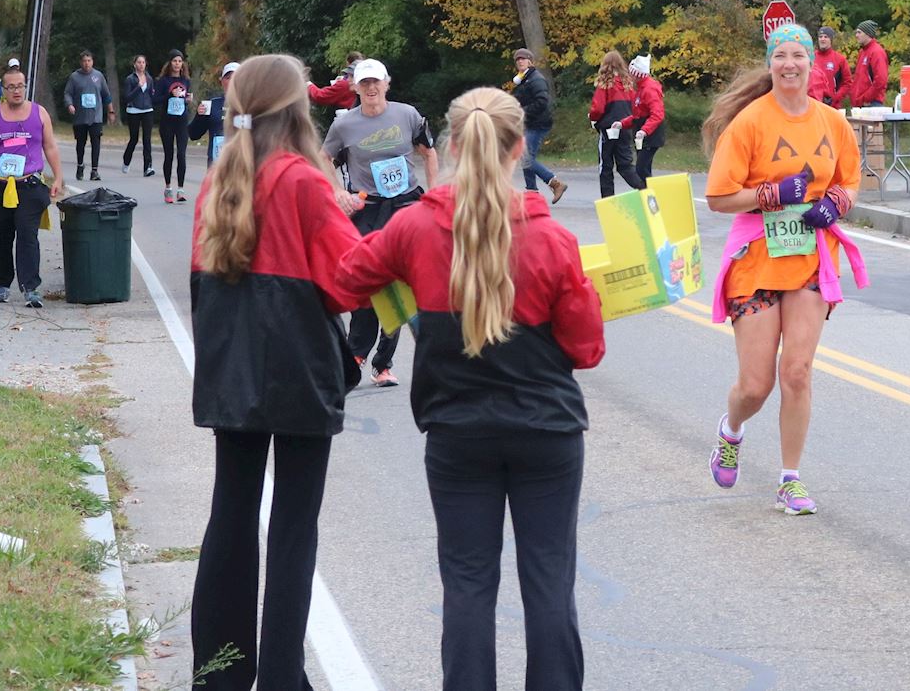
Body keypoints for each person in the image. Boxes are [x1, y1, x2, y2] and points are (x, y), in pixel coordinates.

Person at [336, 87, 604, 691]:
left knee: (467, 585)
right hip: (547, 432)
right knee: (548, 583)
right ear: (517, 151)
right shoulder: (554, 240)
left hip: (457, 431)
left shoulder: (413, 227)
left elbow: (345, 280)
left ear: (452, 146)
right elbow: (587, 349)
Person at [188, 54, 363, 691]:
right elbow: (348, 284)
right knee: (293, 526)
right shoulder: (303, 180)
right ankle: (284, 676)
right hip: (298, 365)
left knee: (231, 513)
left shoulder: (217, 178)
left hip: (231, 362)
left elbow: (200, 282)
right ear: (296, 110)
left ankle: (220, 673)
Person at [702, 24, 863, 515]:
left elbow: (851, 180)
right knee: (756, 385)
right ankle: (731, 431)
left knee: (796, 372)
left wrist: (835, 204)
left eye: (798, 55)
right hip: (755, 258)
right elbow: (717, 197)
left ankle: (789, 479)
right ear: (770, 63)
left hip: (810, 258)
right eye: (781, 56)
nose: (790, 64)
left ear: (812, 62)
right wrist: (771, 195)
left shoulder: (832, 122)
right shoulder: (749, 123)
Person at [322, 58, 438, 386]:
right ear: (355, 88)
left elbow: (429, 152)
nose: (371, 88)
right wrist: (335, 192)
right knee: (367, 280)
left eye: (376, 82)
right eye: (364, 84)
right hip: (367, 208)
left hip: (405, 204)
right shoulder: (345, 125)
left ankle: (382, 363)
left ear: (387, 83)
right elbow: (324, 157)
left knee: (401, 280)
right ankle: (356, 351)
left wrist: (435, 193)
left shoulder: (407, 115)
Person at [0, 66, 65, 308]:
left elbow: (50, 146)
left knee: (28, 235)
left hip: (30, 184)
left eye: (20, 86)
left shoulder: (40, 113)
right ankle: (2, 284)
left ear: (26, 87)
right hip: (0, 185)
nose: (16, 91)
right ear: (3, 90)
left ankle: (31, 287)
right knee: (2, 236)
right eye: (11, 87)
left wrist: (58, 177)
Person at [511, 47, 567, 203]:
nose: (520, 61)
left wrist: (522, 111)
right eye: (518, 59)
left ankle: (555, 183)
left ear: (530, 61)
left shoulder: (536, 79)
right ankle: (532, 192)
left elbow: (542, 102)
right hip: (529, 123)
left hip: (538, 124)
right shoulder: (523, 80)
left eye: (523, 58)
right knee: (526, 157)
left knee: (526, 157)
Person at [588, 50, 646, 197]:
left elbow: (598, 108)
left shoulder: (605, 84)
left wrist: (593, 117)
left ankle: (608, 199)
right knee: (625, 165)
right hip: (625, 128)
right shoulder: (628, 84)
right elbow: (635, 107)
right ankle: (643, 188)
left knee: (605, 166)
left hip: (608, 128)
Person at [62, 50, 114, 181]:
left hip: (95, 116)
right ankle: (80, 165)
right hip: (80, 117)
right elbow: (67, 93)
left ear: (92, 62)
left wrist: (111, 112)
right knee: (81, 143)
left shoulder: (98, 76)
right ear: (81, 62)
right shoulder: (74, 77)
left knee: (96, 142)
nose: (87, 63)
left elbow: (106, 95)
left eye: (89, 61)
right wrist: (70, 105)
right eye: (84, 61)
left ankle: (94, 170)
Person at [615, 54, 667, 181]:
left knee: (641, 169)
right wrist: (622, 123)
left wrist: (644, 130)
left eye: (631, 74)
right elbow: (638, 114)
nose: (629, 77)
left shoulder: (649, 89)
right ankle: (647, 196)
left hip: (651, 134)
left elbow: (657, 114)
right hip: (642, 134)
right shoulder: (640, 88)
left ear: (636, 75)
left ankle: (650, 195)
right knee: (644, 170)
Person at [154, 50, 192, 203]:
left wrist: (188, 99)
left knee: (181, 154)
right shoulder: (163, 81)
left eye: (180, 61)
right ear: (170, 63)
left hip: (182, 121)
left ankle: (181, 190)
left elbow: (185, 98)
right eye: (175, 61)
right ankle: (168, 188)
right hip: (167, 122)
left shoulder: (186, 81)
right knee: (169, 155)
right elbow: (155, 100)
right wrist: (170, 95)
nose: (177, 64)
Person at [190, 62, 238, 168]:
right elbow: (193, 134)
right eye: (228, 78)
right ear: (222, 81)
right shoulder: (212, 104)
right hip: (216, 166)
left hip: (239, 166)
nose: (232, 81)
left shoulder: (250, 105)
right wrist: (199, 116)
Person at [121, 54, 156, 176]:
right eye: (139, 62)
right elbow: (127, 97)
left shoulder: (149, 79)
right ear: (134, 64)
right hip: (134, 110)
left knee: (147, 139)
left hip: (147, 110)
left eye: (143, 62)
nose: (141, 65)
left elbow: (152, 95)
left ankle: (148, 167)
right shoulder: (130, 79)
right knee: (134, 138)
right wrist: (138, 87)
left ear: (146, 64)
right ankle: (126, 161)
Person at [809, 27, 853, 108]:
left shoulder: (840, 59)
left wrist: (836, 97)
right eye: (820, 37)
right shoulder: (811, 58)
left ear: (831, 39)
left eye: (826, 37)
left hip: (833, 106)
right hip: (814, 105)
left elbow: (847, 83)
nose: (822, 39)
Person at [852, 21, 889, 106]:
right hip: (861, 104)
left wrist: (865, 98)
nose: (856, 35)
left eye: (859, 32)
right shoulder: (863, 52)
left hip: (871, 104)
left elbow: (881, 80)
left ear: (868, 34)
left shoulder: (876, 52)